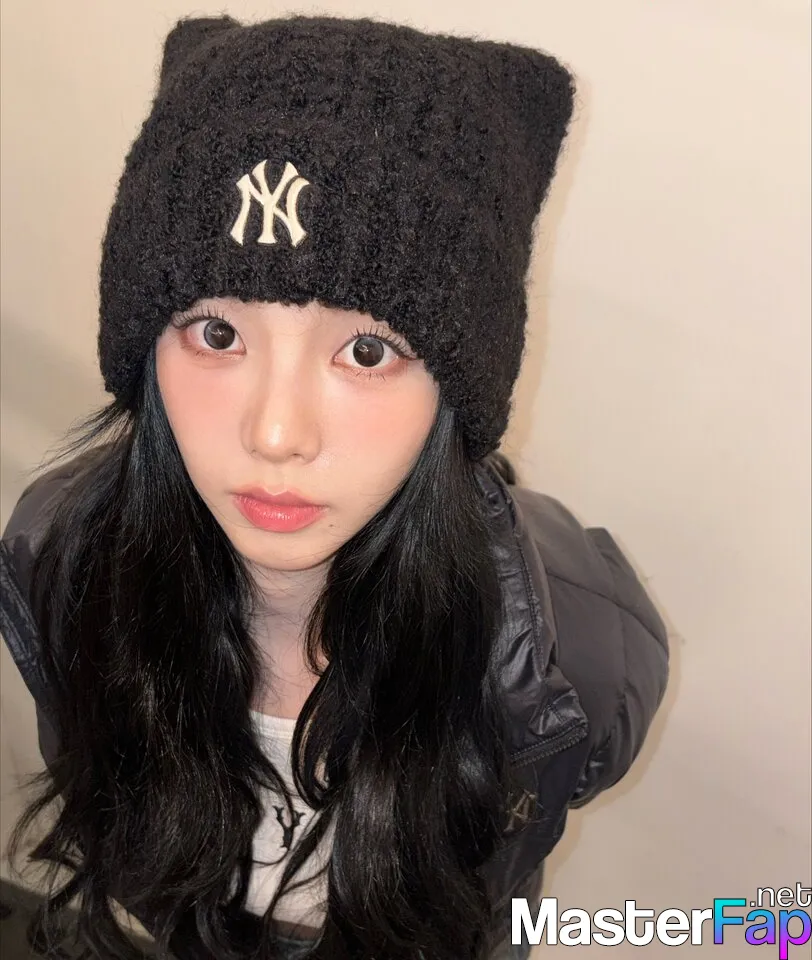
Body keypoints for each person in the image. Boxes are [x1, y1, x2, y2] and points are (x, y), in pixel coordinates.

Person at [0, 13, 669, 960]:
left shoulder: (578, 659)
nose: (276, 433)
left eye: (366, 351)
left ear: (457, 391)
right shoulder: (59, 568)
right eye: (217, 335)